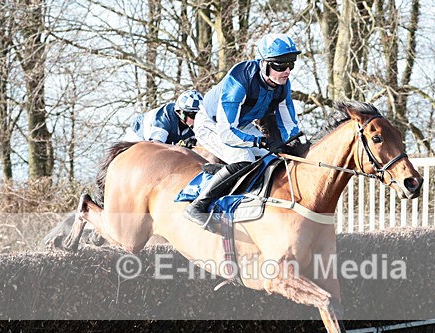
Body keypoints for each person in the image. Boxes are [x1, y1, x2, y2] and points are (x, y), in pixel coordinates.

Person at [185, 32, 302, 227]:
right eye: (280, 66)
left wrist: (294, 144)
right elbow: (226, 132)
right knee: (244, 158)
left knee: (274, 158)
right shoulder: (239, 79)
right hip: (211, 123)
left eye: (291, 64)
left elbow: (289, 124)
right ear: (263, 63)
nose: (287, 71)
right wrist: (258, 141)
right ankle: (198, 206)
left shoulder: (282, 85)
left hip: (241, 125)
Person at [123, 89, 203, 146]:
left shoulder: (197, 124)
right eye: (193, 115)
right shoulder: (164, 118)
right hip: (138, 137)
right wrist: (180, 146)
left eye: (200, 115)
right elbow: (156, 146)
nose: (197, 119)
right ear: (180, 112)